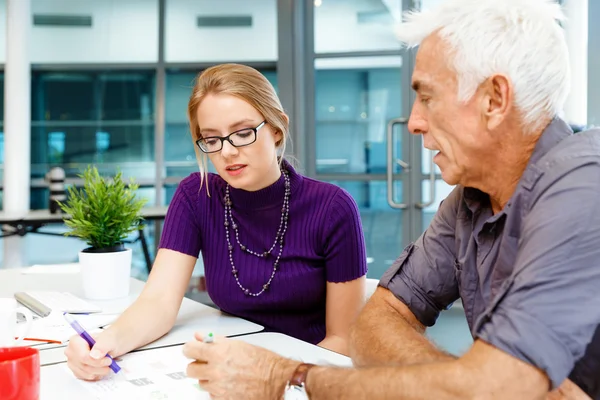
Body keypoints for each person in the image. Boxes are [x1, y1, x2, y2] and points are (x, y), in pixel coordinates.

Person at [181, 0, 600, 399]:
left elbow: (493, 389)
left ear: (494, 99)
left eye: (428, 95)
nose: (414, 121)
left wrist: (290, 375)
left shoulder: (584, 186)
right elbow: (375, 322)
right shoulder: (468, 201)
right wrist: (464, 384)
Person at [64, 64, 368, 381]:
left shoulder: (332, 207)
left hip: (310, 376)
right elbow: (158, 302)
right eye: (212, 139)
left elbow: (343, 341)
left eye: (243, 133)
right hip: (231, 371)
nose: (228, 152)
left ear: (277, 129)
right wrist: (103, 344)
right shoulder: (197, 196)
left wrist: (274, 377)